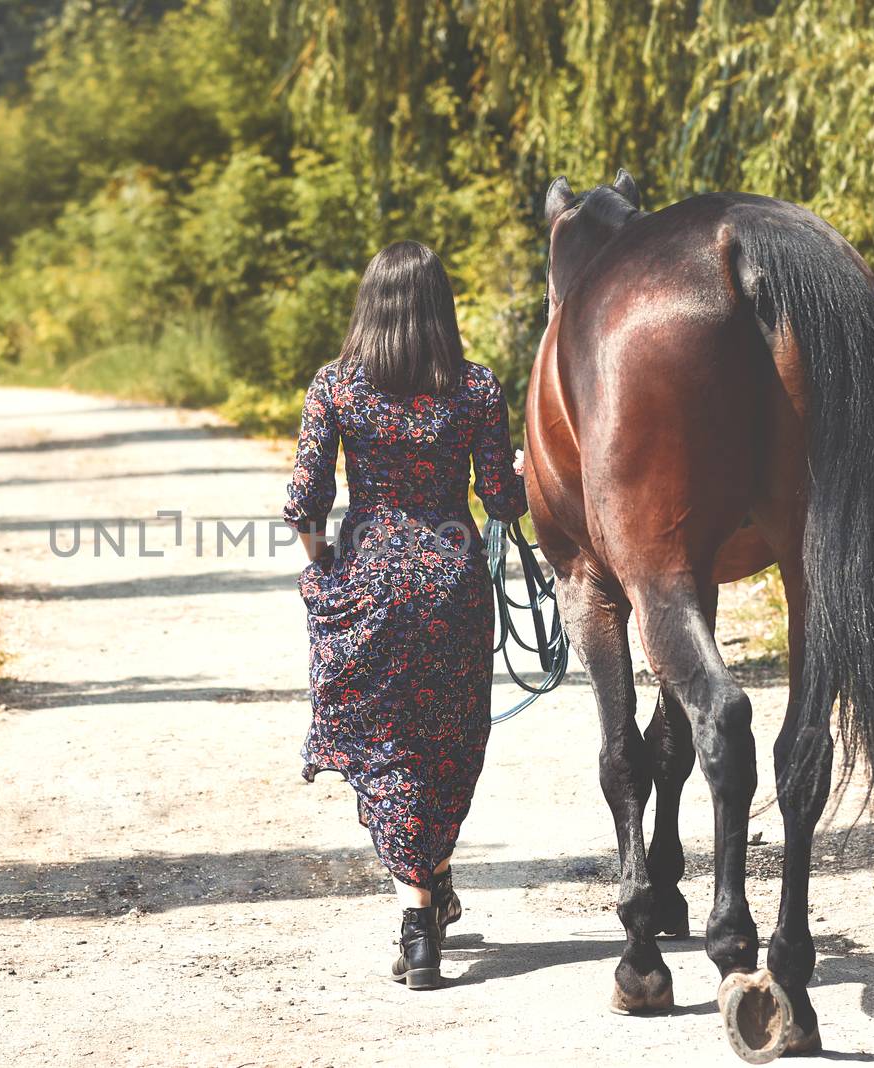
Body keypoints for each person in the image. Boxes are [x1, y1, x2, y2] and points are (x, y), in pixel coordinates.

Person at [282, 240, 528, 990]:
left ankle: (420, 924)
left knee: (387, 747)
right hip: (452, 585)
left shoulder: (336, 386)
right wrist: (517, 473)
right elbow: (503, 502)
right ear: (440, 306)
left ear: (371, 304)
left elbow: (304, 502)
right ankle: (434, 888)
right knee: (449, 740)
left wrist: (324, 563)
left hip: (369, 583)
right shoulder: (477, 387)